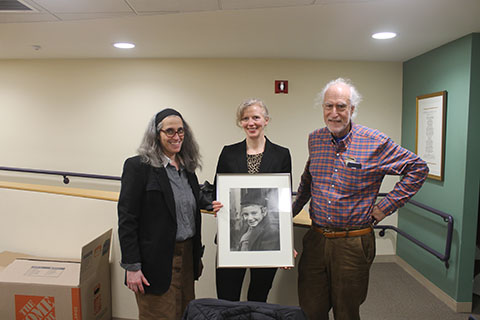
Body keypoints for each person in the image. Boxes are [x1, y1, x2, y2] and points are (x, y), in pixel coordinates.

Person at [292, 78, 429, 320]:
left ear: (352, 109)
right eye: (328, 106)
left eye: (341, 106)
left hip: (352, 242)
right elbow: (307, 181)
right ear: (322, 108)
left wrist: (383, 208)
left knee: (347, 311)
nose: (334, 113)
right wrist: (286, 215)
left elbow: (418, 168)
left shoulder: (374, 141)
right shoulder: (315, 139)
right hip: (316, 239)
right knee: (310, 309)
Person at [118, 108, 204, 320]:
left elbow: (188, 201)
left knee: (185, 314)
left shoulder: (187, 167)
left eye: (181, 131)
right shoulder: (138, 167)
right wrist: (132, 266)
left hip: (186, 259)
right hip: (154, 262)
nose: (177, 137)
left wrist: (213, 204)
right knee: (158, 315)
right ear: (157, 135)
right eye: (170, 131)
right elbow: (127, 218)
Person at [212, 98, 292, 302]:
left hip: (269, 241)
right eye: (245, 118)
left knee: (258, 298)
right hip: (231, 241)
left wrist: (285, 240)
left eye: (256, 117)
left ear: (266, 120)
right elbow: (217, 192)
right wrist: (215, 204)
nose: (251, 123)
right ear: (240, 122)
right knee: (227, 298)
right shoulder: (228, 153)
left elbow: (282, 200)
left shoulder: (282, 154)